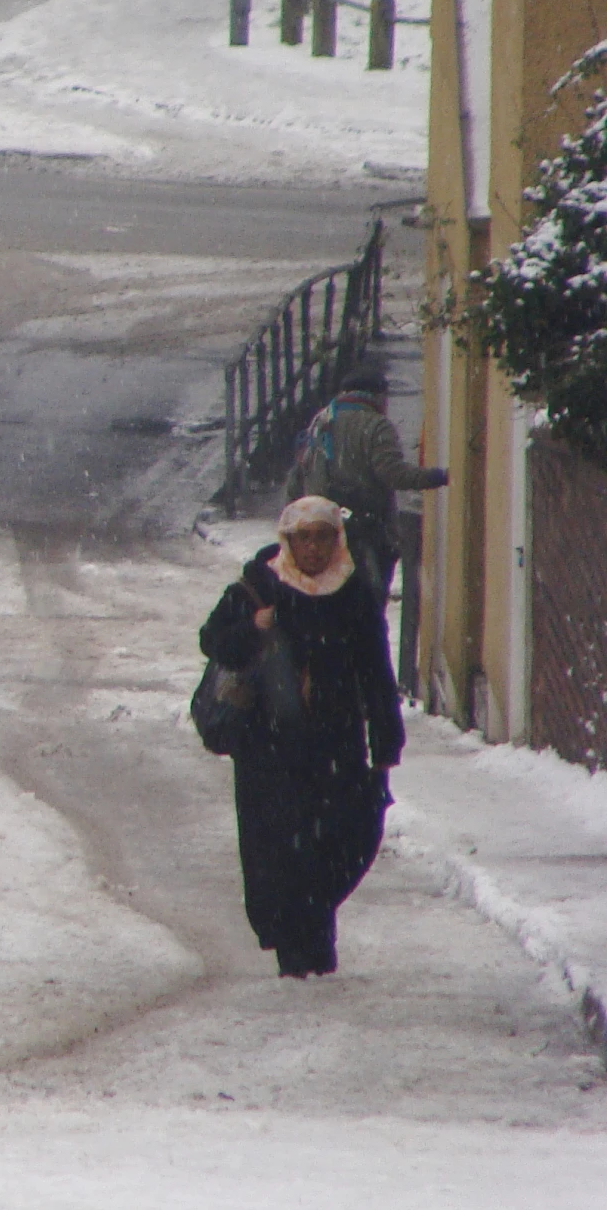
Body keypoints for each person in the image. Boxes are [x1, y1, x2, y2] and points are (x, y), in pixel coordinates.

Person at [199, 496, 404, 977]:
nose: (313, 548)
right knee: (277, 850)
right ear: (288, 541)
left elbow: (375, 670)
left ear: (338, 539)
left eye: (323, 537)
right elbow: (213, 640)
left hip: (335, 744)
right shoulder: (262, 584)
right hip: (268, 749)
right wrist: (253, 626)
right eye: (304, 538)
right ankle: (296, 942)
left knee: (340, 839)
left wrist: (385, 739)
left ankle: (311, 927)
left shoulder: (353, 592)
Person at [285, 361, 448, 605]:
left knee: (326, 605)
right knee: (366, 609)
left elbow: (296, 478)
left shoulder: (321, 422)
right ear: (379, 396)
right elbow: (393, 474)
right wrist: (441, 476)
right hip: (367, 534)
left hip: (321, 532)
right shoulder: (375, 425)